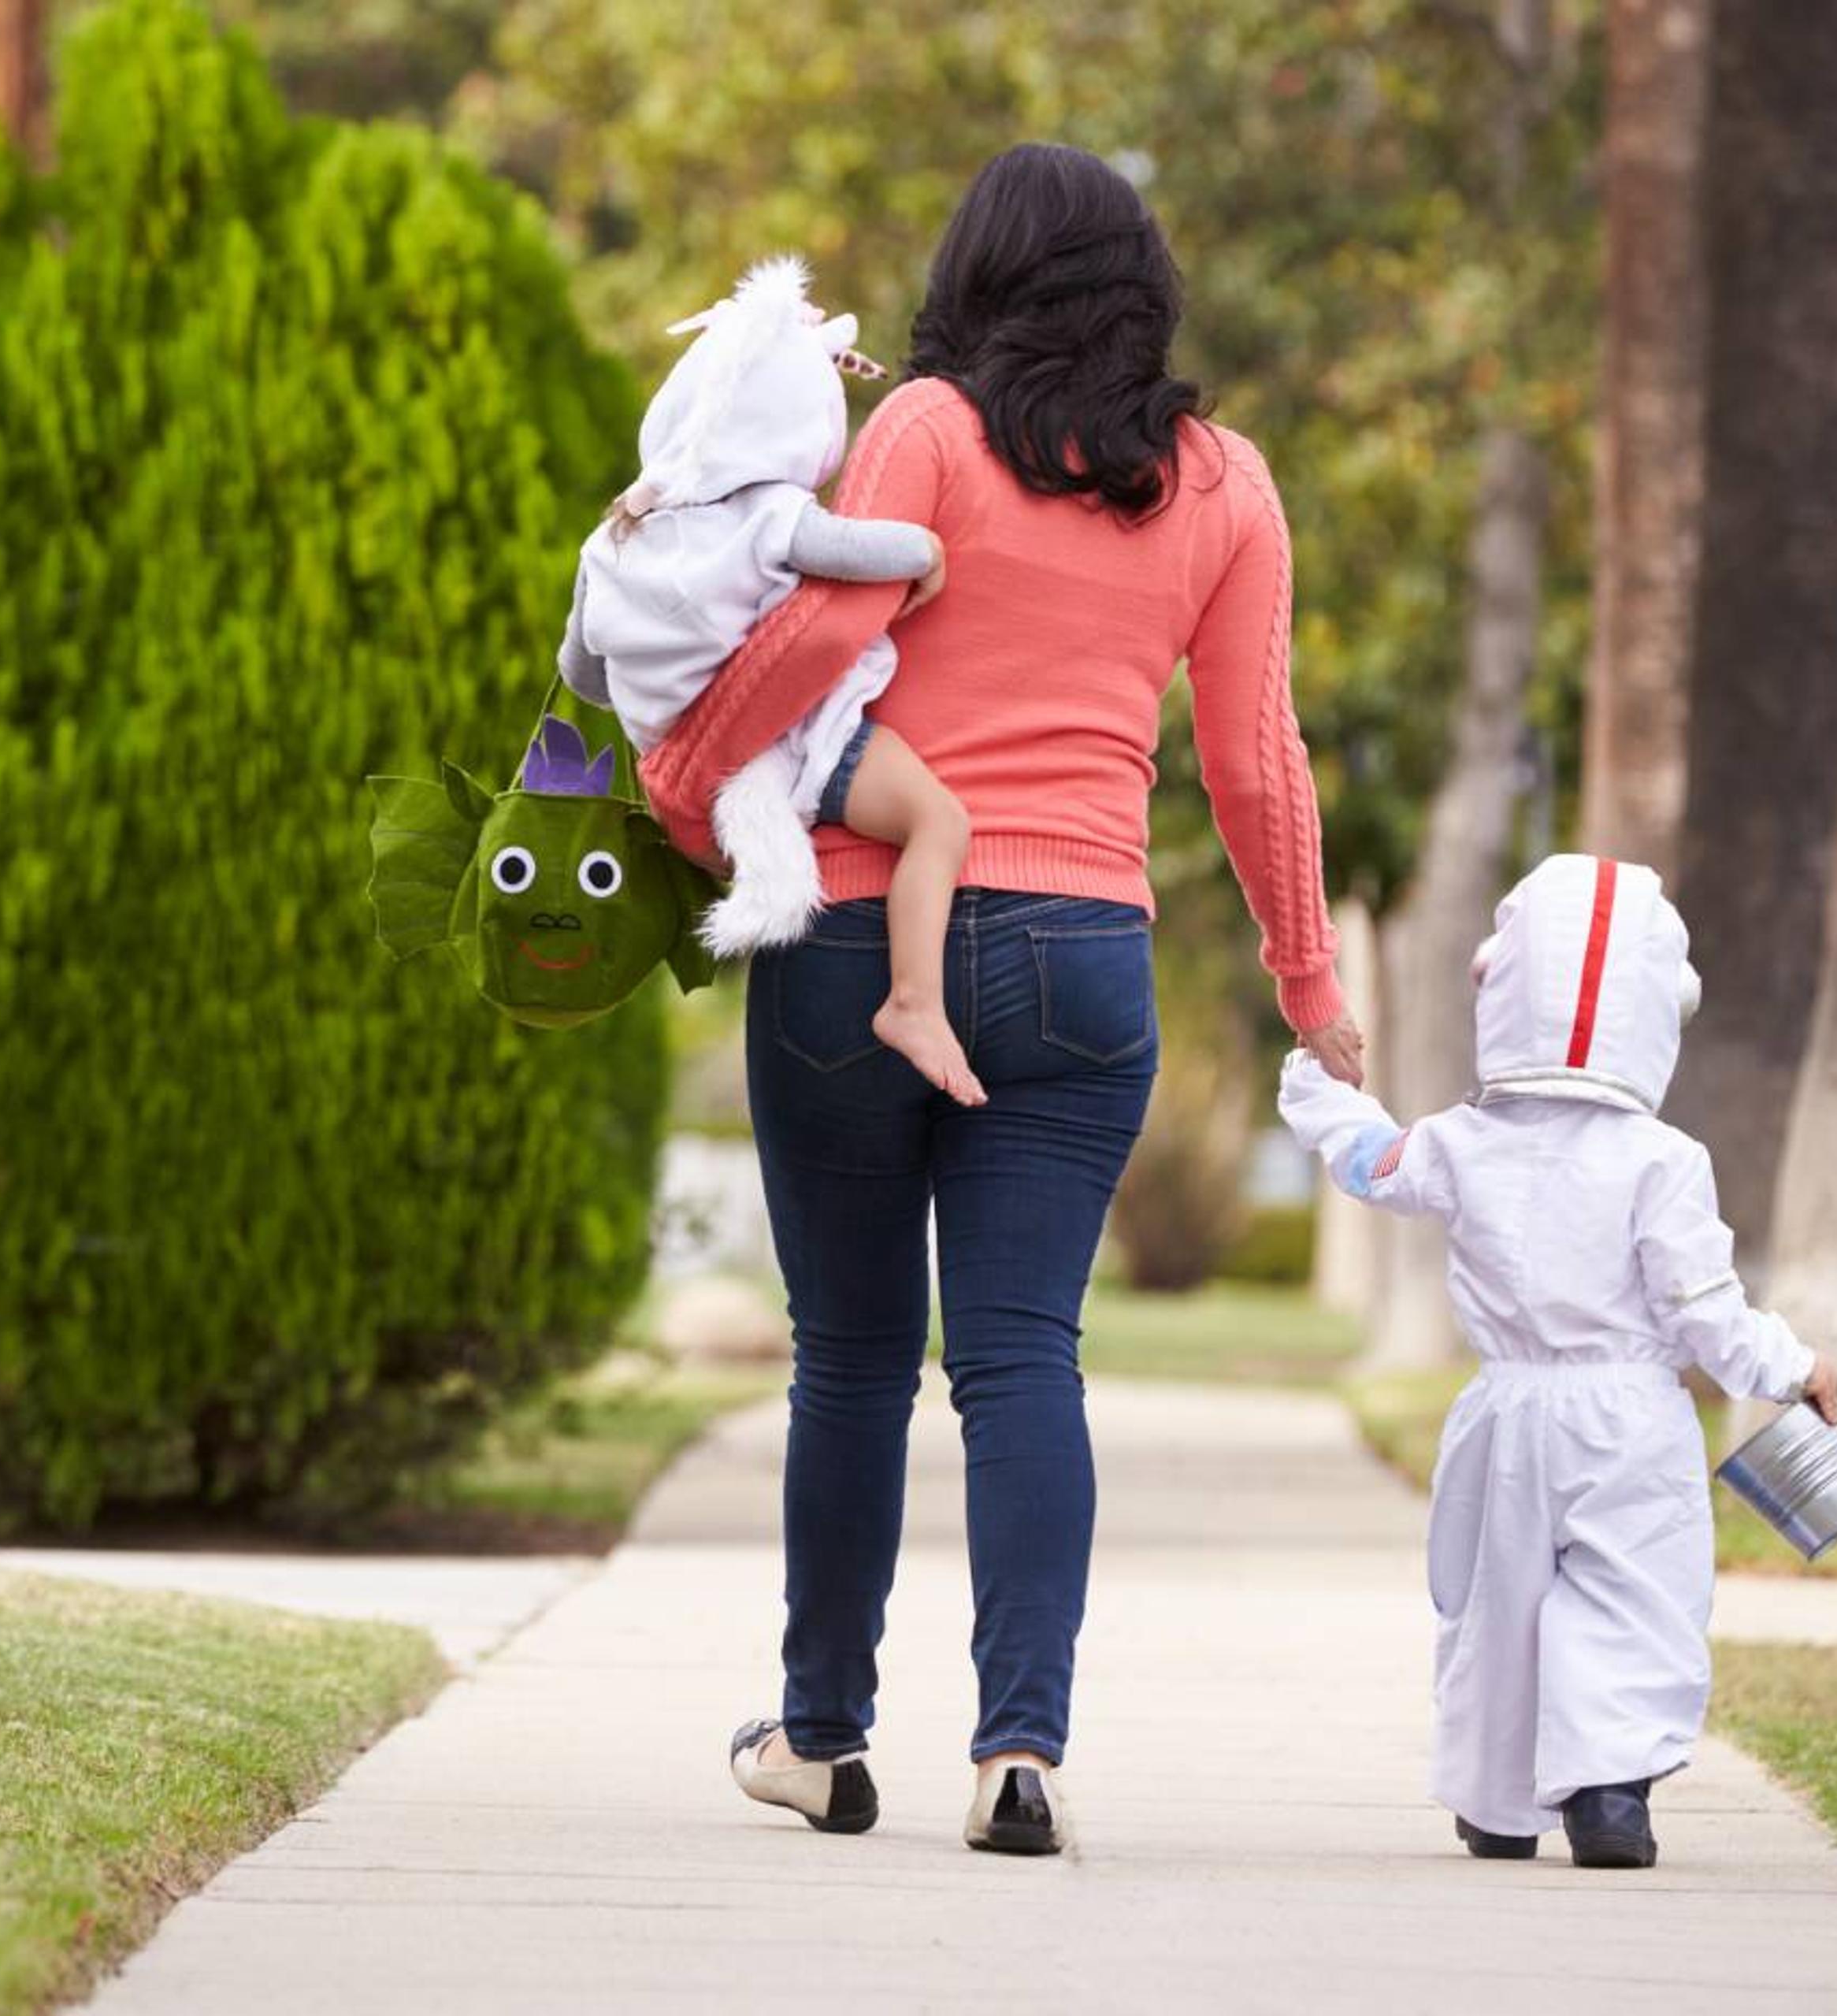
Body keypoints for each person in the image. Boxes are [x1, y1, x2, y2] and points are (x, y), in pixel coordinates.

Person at [634, 144, 1366, 1855]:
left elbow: (813, 650)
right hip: (1083, 952)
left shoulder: (929, 435)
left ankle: (823, 1737)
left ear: (974, 274)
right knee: (1027, 1353)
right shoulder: (1225, 482)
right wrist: (1307, 980)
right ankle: (1019, 1750)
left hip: (858, 925)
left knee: (854, 1357)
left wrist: (687, 782)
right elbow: (1257, 759)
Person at [1275, 852, 1837, 1869]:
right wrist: (1792, 1367)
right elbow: (1703, 1307)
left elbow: (1370, 1158)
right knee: (1629, 1591)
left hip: (1503, 1411)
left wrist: (1315, 1083)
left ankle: (1496, 1801)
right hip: (1629, 1417)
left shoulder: (1462, 1141)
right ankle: (1607, 1792)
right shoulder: (1663, 1161)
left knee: (1499, 1599)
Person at [559, 256, 978, 1105]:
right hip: (800, 744)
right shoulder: (769, 516)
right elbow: (871, 549)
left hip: (686, 767)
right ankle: (914, 1002)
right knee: (939, 820)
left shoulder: (611, 541)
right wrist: (929, 552)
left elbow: (584, 676)